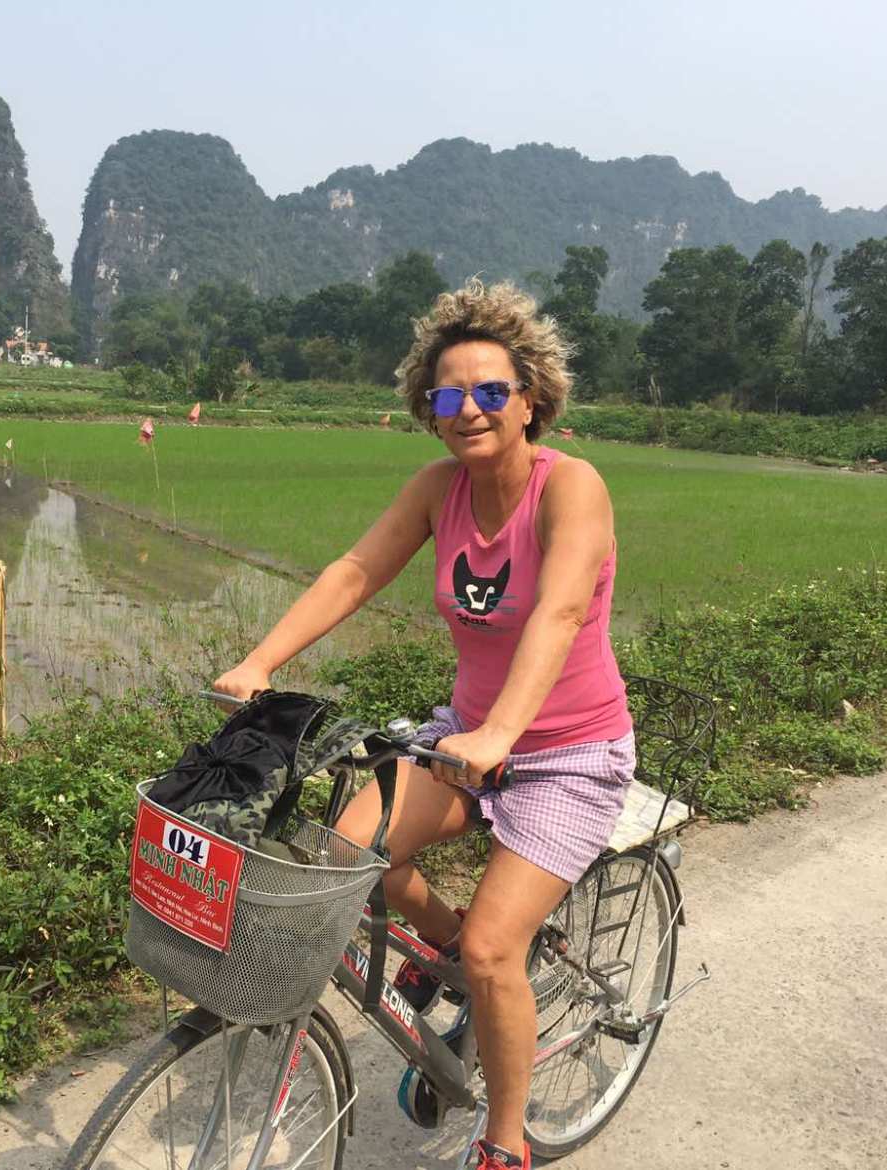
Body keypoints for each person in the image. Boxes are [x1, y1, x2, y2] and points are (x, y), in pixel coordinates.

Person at [214, 279, 634, 1170]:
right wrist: (261, 661)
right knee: (342, 855)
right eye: (451, 395)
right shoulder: (440, 487)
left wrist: (498, 737)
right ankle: (437, 950)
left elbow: (559, 615)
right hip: (464, 739)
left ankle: (506, 1141)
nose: (471, 409)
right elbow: (355, 571)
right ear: (429, 409)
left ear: (532, 401)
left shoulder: (573, 489)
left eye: (492, 391)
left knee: (492, 954)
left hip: (566, 754)